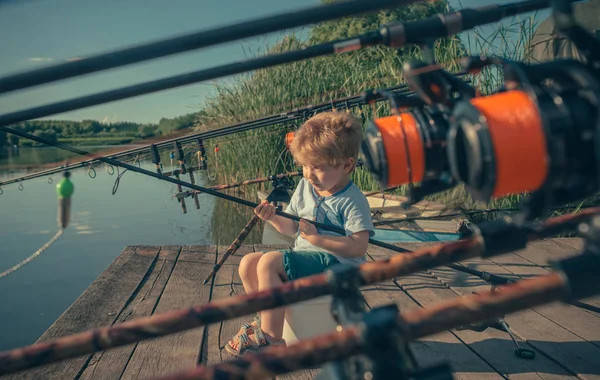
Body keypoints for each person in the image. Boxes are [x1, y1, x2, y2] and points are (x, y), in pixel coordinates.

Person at [225, 111, 375, 356]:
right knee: (248, 263)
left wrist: (317, 239)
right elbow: (293, 228)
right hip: (307, 259)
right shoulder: (307, 186)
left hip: (339, 265)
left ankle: (273, 341)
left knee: (270, 262)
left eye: (317, 167)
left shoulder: (352, 200)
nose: (308, 174)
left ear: (347, 165)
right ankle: (265, 321)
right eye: (305, 166)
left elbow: (359, 247)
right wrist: (273, 218)